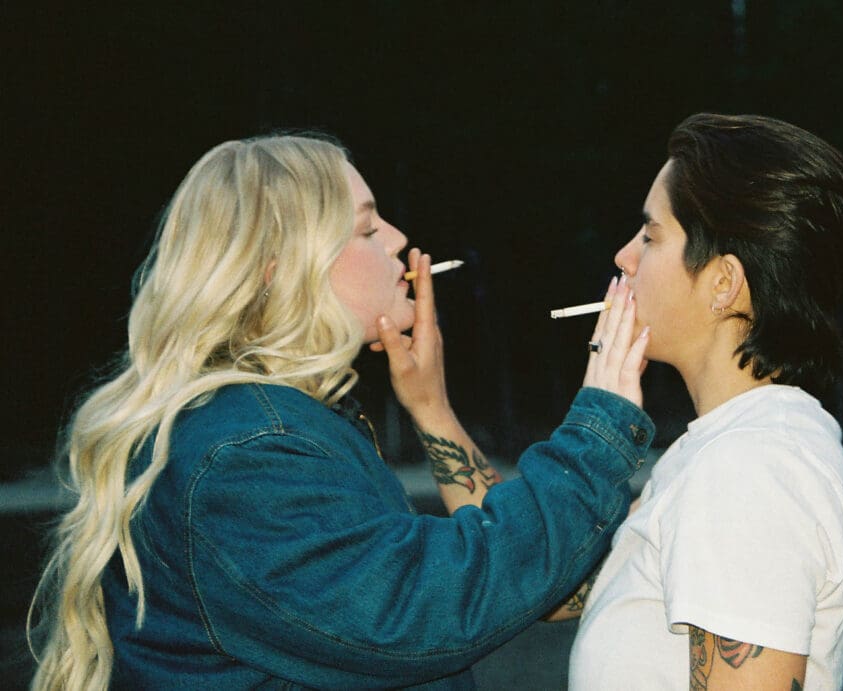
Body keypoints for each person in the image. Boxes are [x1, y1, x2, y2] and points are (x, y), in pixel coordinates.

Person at [28, 133, 654, 690]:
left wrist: (431, 407)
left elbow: (514, 580)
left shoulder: (272, 422)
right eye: (367, 228)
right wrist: (596, 433)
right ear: (280, 270)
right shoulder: (245, 452)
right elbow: (423, 606)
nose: (399, 240)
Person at [567, 114, 843, 690]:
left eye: (651, 236)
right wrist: (432, 406)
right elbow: (551, 583)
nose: (625, 257)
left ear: (724, 282)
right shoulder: (728, 448)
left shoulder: (747, 467)